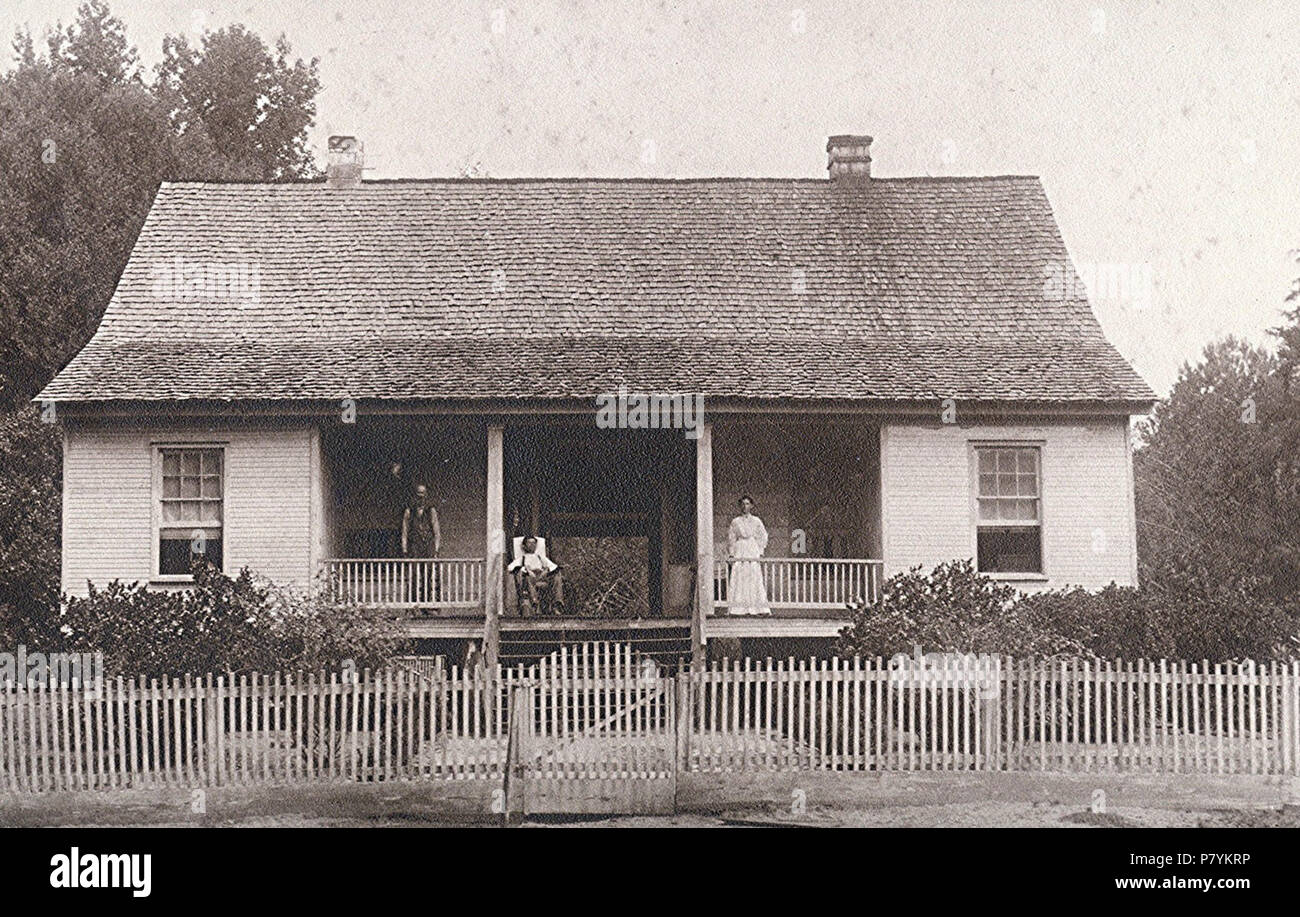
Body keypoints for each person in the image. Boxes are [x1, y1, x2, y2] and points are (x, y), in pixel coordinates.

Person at [727, 495, 770, 616]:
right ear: (739, 506)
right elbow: (731, 538)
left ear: (751, 506)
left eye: (747, 504)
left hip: (752, 548)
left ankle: (757, 608)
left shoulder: (756, 521)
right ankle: (738, 608)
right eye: (742, 504)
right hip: (740, 549)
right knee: (740, 574)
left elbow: (763, 536)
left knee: (753, 575)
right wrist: (732, 553)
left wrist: (761, 552)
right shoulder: (735, 521)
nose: (745, 506)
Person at [401, 484, 441, 605]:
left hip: (428, 545)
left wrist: (436, 550)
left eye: (423, 495)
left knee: (427, 575)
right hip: (414, 545)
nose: (420, 498)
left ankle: (425, 604)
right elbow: (405, 531)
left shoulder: (431, 511)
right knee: (413, 575)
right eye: (418, 495)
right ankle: (413, 605)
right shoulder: (409, 511)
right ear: (414, 496)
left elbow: (436, 531)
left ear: (426, 496)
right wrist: (404, 549)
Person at [509, 535, 565, 616]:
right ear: (524, 546)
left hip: (542, 576)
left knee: (557, 576)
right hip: (529, 577)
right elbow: (510, 568)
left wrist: (546, 570)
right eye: (529, 543)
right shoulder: (522, 558)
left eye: (534, 543)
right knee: (528, 578)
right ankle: (535, 604)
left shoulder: (541, 557)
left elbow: (554, 567)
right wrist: (526, 569)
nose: (532, 545)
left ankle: (556, 605)